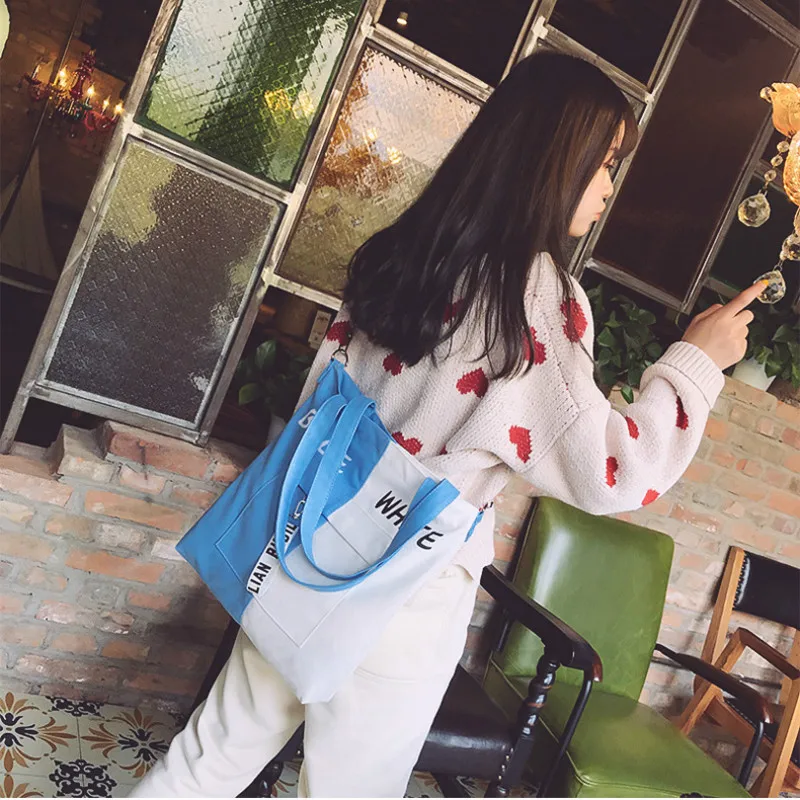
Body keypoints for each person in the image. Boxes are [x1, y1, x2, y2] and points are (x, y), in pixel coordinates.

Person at [129, 51, 762, 798]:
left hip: (312, 533)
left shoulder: (406, 253)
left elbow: (320, 400)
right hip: (409, 579)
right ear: (552, 160)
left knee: (212, 754)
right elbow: (615, 474)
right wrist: (696, 361)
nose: (608, 187)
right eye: (604, 162)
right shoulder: (536, 297)